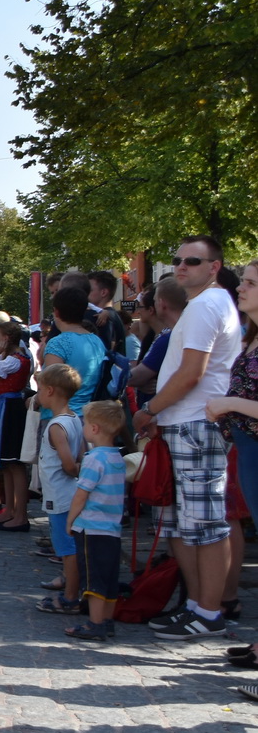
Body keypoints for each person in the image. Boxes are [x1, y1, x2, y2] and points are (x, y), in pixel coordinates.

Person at [135, 236, 243, 641]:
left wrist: (151, 409)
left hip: (195, 422)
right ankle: (199, 605)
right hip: (189, 421)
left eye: (192, 261)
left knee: (206, 525)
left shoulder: (206, 306)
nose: (181, 267)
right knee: (189, 524)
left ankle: (208, 610)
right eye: (178, 260)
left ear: (213, 266)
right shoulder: (208, 304)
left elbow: (191, 373)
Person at [206, 258, 258, 634]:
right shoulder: (251, 335)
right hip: (244, 447)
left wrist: (229, 404)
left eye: (251, 283)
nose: (240, 287)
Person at [64, 400, 129, 641]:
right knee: (109, 577)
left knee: (93, 578)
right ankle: (107, 621)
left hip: (92, 527)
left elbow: (82, 493)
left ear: (94, 429)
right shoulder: (117, 458)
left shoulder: (94, 459)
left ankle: (95, 623)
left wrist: (70, 519)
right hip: (112, 528)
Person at [35, 363, 86, 611]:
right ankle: (69, 583)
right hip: (68, 493)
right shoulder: (74, 419)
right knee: (69, 546)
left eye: (40, 389)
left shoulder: (56, 426)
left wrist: (76, 471)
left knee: (67, 549)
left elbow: (69, 464)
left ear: (51, 391)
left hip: (62, 496)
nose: (38, 394)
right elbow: (83, 453)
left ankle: (69, 597)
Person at [0, 321, 33, 531]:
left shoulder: (15, 360)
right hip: (5, 406)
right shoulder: (11, 358)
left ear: (6, 339)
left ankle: (20, 514)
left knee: (15, 463)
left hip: (11, 408)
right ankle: (10, 509)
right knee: (8, 464)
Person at [41, 286, 106, 419]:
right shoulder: (96, 341)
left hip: (60, 418)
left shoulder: (57, 343)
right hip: (88, 415)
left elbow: (52, 387)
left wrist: (34, 400)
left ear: (56, 312)